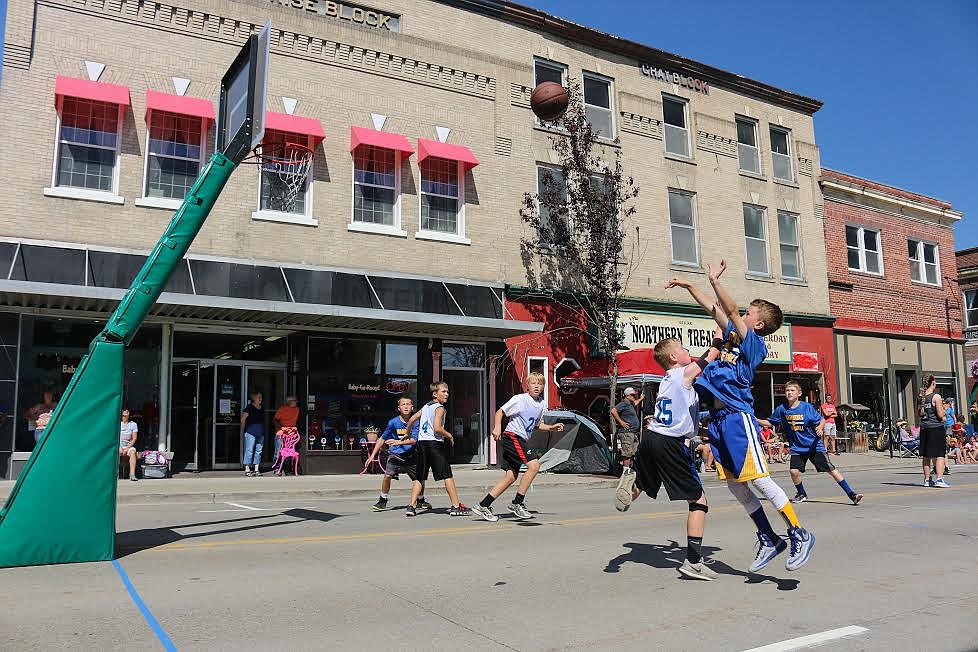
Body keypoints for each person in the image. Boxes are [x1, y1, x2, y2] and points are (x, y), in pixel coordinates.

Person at [667, 259, 815, 572]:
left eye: (749, 314)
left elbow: (731, 310)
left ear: (758, 324)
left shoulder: (755, 345)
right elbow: (716, 310)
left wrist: (714, 280)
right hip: (717, 420)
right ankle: (769, 538)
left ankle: (799, 533)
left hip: (737, 417)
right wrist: (690, 285)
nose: (741, 315)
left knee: (759, 481)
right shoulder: (732, 334)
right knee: (735, 485)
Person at [616, 336, 722, 580]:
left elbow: (686, 409)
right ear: (674, 357)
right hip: (669, 443)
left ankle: (630, 490)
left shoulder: (666, 381)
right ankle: (693, 561)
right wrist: (718, 337)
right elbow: (709, 357)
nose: (688, 351)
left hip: (652, 438)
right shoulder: (682, 375)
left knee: (647, 481)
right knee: (699, 501)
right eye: (684, 348)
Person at [471, 372, 564, 522]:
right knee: (534, 466)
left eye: (540, 384)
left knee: (510, 477)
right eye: (533, 383)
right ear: (527, 386)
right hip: (513, 436)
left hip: (520, 438)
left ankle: (483, 505)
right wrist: (497, 428)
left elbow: (537, 425)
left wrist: (551, 427)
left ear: (543, 387)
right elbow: (500, 412)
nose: (536, 386)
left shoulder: (541, 403)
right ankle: (517, 503)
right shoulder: (520, 399)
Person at [760, 381, 863, 505]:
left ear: (799, 393)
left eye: (792, 390)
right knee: (793, 471)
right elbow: (770, 423)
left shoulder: (806, 407)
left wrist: (819, 428)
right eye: (787, 390)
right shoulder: (782, 409)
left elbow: (822, 420)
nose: (789, 392)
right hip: (798, 447)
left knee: (831, 469)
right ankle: (801, 493)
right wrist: (754, 419)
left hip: (814, 446)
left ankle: (852, 494)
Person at [403, 382, 470, 517]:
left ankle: (411, 506)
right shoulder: (440, 408)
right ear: (435, 394)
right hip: (434, 444)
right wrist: (449, 435)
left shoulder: (426, 407)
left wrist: (407, 433)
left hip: (422, 444)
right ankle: (456, 506)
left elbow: (411, 420)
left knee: (419, 476)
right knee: (447, 475)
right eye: (443, 392)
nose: (446, 394)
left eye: (447, 392)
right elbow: (437, 428)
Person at [365, 397, 430, 512]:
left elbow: (414, 440)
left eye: (408, 404)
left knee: (419, 479)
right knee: (387, 476)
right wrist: (372, 456)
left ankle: (420, 500)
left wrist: (398, 442)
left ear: (412, 408)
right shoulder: (393, 422)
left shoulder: (415, 422)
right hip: (395, 454)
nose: (406, 406)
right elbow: (381, 439)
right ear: (399, 408)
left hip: (411, 455)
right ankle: (382, 500)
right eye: (403, 404)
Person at [918, 374, 949, 488]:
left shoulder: (920, 397)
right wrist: (945, 412)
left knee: (926, 455)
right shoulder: (936, 396)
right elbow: (940, 415)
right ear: (933, 382)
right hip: (936, 428)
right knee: (940, 454)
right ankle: (940, 479)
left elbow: (920, 414)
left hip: (924, 428)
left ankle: (927, 479)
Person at [611, 387, 643, 472]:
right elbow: (613, 410)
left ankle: (628, 470)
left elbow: (636, 403)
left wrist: (641, 398)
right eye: (632, 395)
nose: (634, 397)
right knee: (627, 453)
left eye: (634, 395)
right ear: (627, 395)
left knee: (633, 452)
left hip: (632, 433)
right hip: (627, 433)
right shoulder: (624, 403)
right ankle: (625, 472)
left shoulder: (630, 404)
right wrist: (621, 422)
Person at [272, 395, 300, 474]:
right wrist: (282, 427)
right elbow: (275, 420)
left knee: (291, 452)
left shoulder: (297, 410)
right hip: (281, 432)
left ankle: (288, 468)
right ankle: (276, 468)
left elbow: (297, 421)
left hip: (292, 435)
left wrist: (295, 427)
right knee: (278, 452)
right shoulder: (282, 409)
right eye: (294, 401)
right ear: (289, 402)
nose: (296, 402)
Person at [241, 390, 265, 477]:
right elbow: (243, 419)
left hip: (260, 432)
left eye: (261, 397)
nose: (260, 399)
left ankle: (256, 469)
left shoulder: (262, 407)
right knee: (249, 450)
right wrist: (243, 429)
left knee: (259, 451)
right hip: (251, 432)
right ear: (253, 398)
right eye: (259, 397)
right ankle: (247, 468)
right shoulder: (249, 407)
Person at [119, 408, 139, 482]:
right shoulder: (118, 424)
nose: (126, 411)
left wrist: (127, 448)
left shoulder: (133, 424)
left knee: (133, 452)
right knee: (118, 452)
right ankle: (116, 474)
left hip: (128, 446)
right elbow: (115, 437)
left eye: (127, 410)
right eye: (124, 410)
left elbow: (134, 438)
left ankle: (132, 474)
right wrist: (120, 447)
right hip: (119, 446)